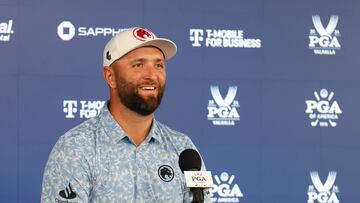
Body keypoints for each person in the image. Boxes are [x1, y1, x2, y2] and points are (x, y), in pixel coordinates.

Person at [41, 27, 210, 203]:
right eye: (138, 65)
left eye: (159, 65)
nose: (152, 75)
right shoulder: (75, 148)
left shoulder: (183, 148)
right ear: (110, 76)